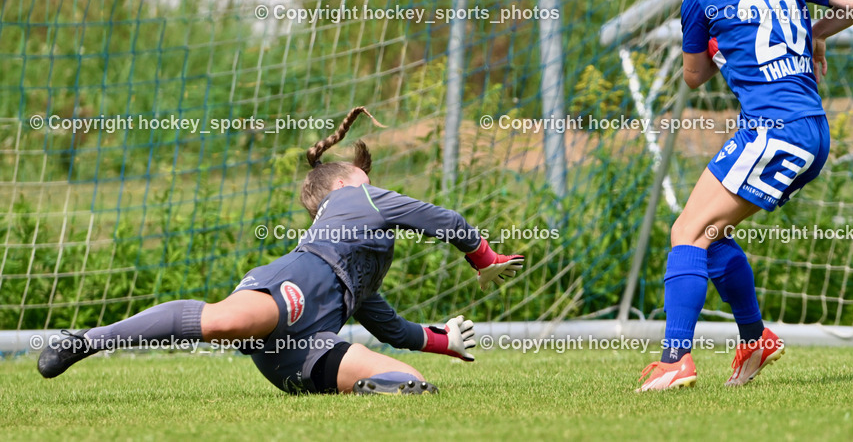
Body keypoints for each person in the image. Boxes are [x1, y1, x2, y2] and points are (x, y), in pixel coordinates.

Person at [38, 107, 525, 395]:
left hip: (298, 358)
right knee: (225, 322)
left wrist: (443, 342)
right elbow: (441, 219)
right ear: (344, 187)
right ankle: (84, 340)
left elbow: (390, 327)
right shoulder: (354, 198)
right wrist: (483, 257)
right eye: (365, 179)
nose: (375, 187)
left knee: (410, 384)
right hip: (291, 292)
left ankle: (362, 384)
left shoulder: (359, 272)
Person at [637, 0, 853, 391]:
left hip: (773, 130)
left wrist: (710, 47)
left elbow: (694, 78)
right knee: (709, 234)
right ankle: (754, 338)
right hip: (809, 128)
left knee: (686, 233)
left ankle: (675, 359)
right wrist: (811, 32)